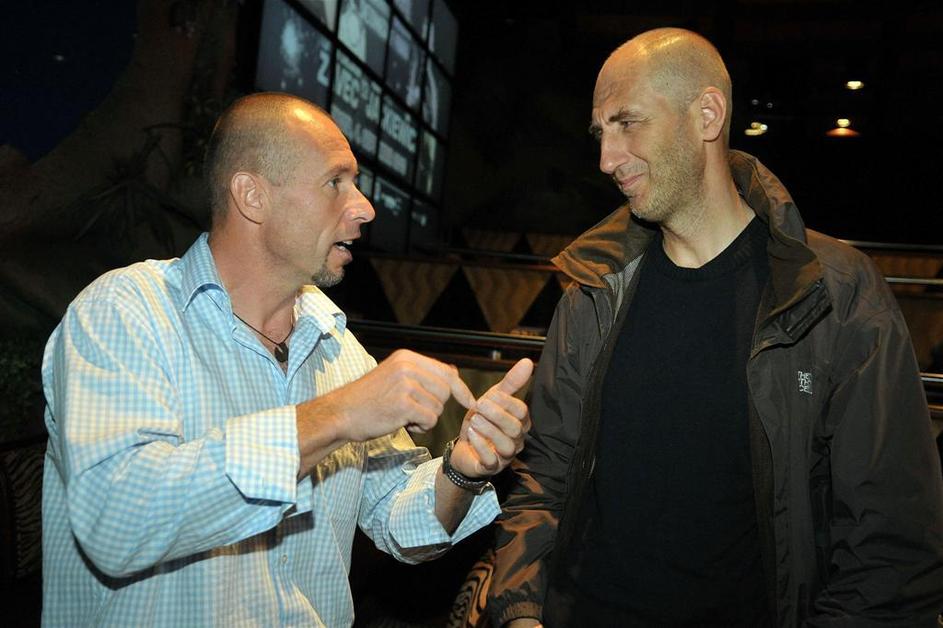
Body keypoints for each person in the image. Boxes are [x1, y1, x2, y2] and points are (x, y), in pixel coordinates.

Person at [488, 28, 943, 627]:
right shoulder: (593, 291)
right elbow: (543, 480)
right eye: (601, 134)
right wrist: (521, 612)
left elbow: (890, 551)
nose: (607, 159)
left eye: (628, 123)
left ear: (707, 114)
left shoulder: (836, 292)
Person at [41, 92, 533, 627]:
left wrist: (461, 470)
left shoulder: (337, 345)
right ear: (252, 196)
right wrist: (337, 415)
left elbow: (400, 523)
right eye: (335, 182)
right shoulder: (126, 311)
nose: (365, 207)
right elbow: (117, 522)